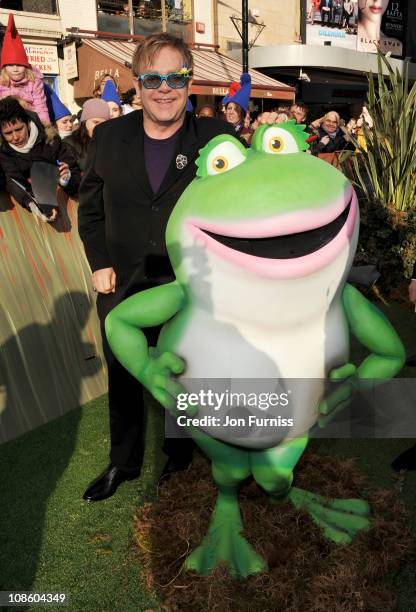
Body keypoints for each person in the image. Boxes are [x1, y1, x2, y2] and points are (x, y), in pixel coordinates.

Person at [77, 32, 237, 503]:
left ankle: (179, 454)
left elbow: (239, 201)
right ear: (136, 82)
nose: (164, 88)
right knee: (124, 373)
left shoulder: (213, 138)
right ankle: (123, 463)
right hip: (121, 281)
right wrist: (98, 261)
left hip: (185, 281)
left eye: (175, 77)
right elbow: (89, 209)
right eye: (152, 78)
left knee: (184, 370)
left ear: (189, 82)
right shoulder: (108, 136)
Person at [0, 96, 80, 222]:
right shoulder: (4, 153)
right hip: (30, 224)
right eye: (8, 133)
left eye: (19, 129)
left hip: (71, 218)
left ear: (27, 123)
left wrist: (66, 179)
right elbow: (15, 183)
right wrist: (37, 207)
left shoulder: (51, 140)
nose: (15, 137)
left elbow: (76, 178)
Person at [0, 14, 49, 124]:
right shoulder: (1, 83)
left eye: (19, 65)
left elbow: (41, 107)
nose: (15, 69)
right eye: (10, 65)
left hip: (30, 122)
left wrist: (45, 127)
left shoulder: (34, 81)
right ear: (4, 68)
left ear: (26, 66)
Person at [65, 99, 110, 171]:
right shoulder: (69, 145)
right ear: (84, 122)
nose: (100, 127)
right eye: (96, 122)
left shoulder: (110, 143)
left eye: (104, 124)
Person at [222, 73, 253, 144]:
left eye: (236, 109)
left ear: (242, 113)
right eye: (229, 108)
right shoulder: (220, 129)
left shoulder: (247, 133)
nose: (231, 112)